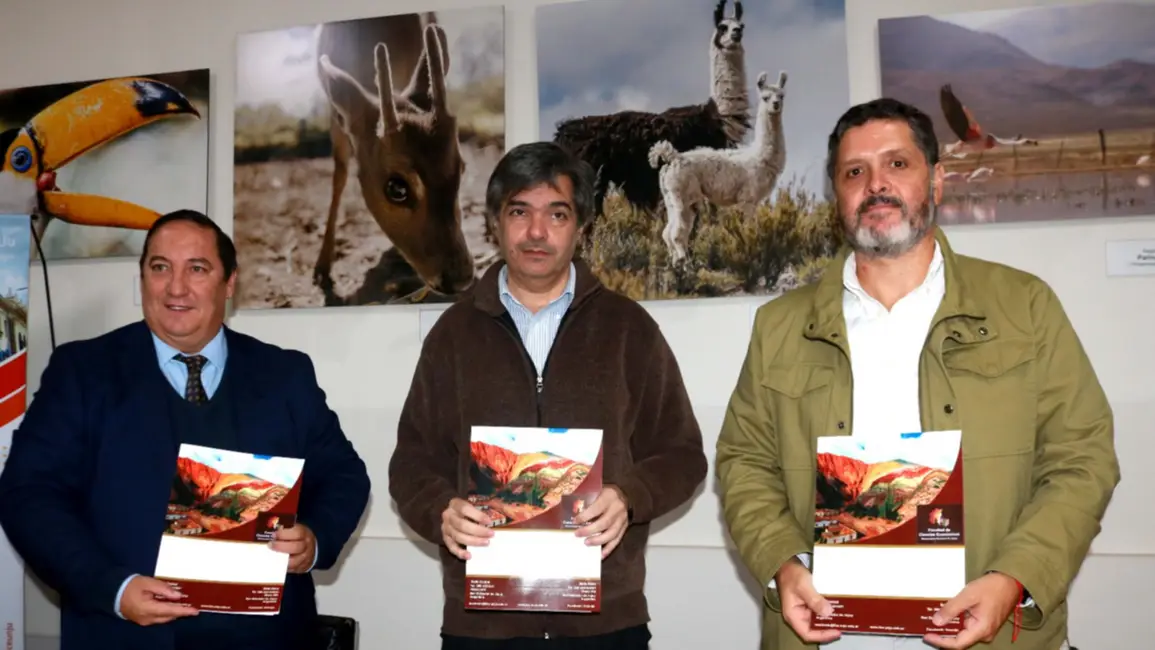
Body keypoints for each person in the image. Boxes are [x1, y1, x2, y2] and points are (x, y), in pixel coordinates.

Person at [715, 98, 1119, 650]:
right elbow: (744, 462)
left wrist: (1014, 578)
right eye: (854, 172)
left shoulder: (1024, 306)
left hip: (988, 632)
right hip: (828, 634)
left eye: (897, 164)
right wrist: (784, 564)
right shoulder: (779, 326)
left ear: (937, 181)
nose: (875, 184)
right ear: (837, 196)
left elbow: (1082, 458)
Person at [0, 210, 371, 650]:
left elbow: (344, 476)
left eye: (197, 269)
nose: (176, 288)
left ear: (229, 283)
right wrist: (111, 587)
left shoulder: (284, 375)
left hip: (265, 638)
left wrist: (315, 538)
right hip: (124, 636)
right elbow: (28, 494)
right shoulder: (82, 372)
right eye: (160, 267)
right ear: (143, 279)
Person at [388, 141, 708, 649]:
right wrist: (440, 510)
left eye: (557, 214)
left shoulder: (629, 329)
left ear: (582, 228)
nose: (537, 232)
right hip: (482, 627)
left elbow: (683, 455)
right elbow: (411, 462)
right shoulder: (453, 335)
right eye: (520, 212)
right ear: (495, 223)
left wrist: (630, 496)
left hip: (605, 626)